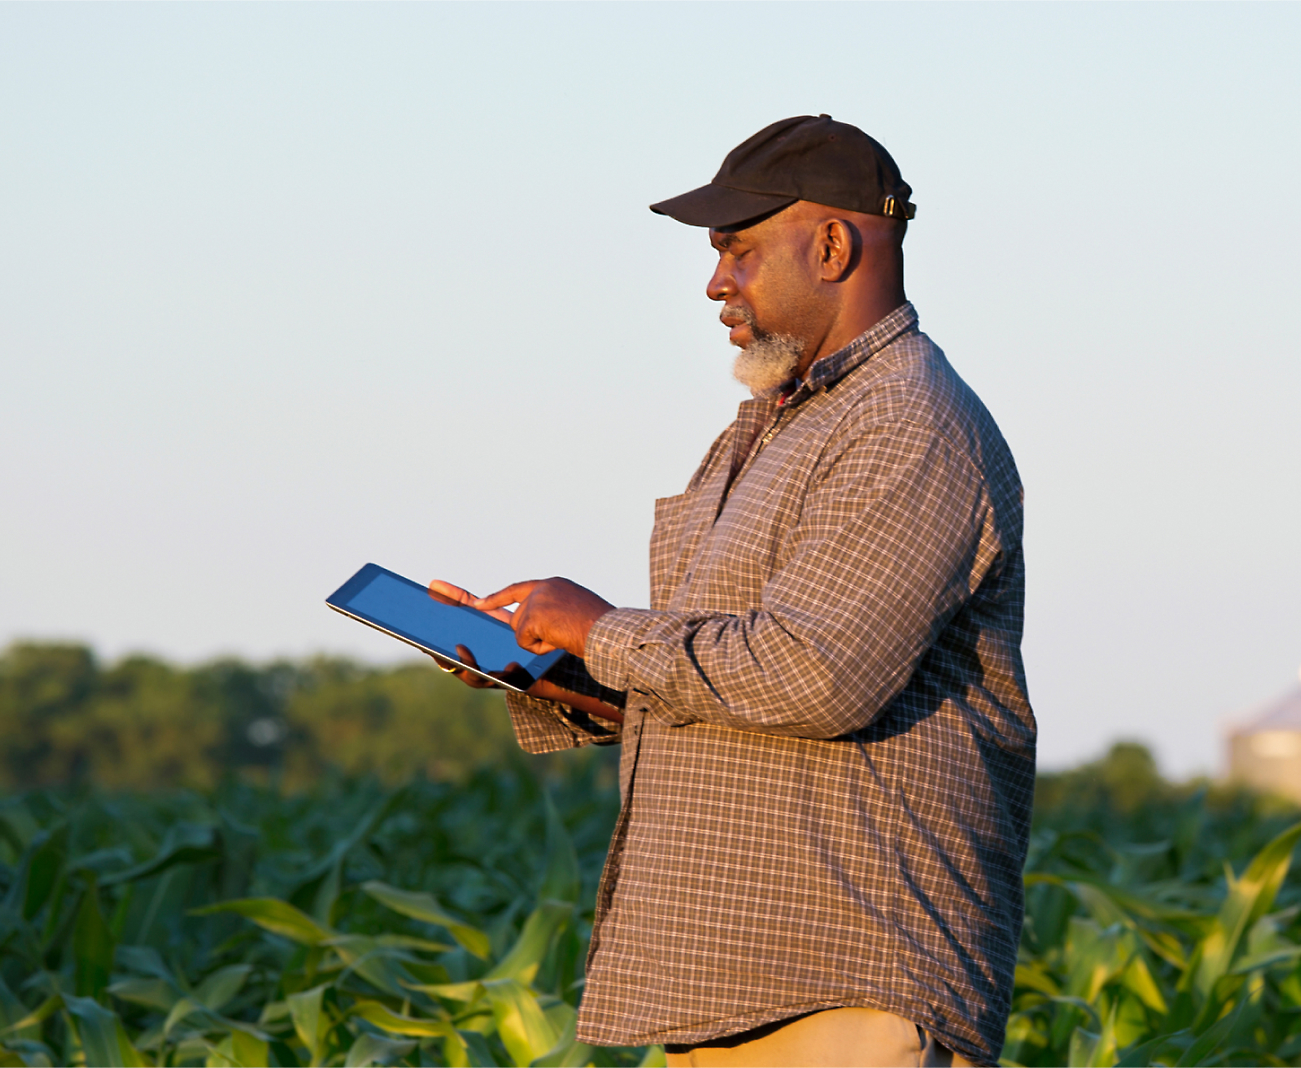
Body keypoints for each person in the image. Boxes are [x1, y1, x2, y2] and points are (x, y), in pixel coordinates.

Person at [431, 115, 1034, 1068]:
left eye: (738, 250)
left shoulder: (906, 421)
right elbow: (732, 684)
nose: (716, 283)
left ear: (832, 245)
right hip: (732, 987)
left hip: (846, 986)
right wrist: (559, 672)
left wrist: (601, 627)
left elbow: (814, 674)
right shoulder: (774, 424)